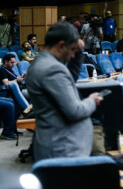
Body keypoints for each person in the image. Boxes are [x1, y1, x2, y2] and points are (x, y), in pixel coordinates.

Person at [26, 22, 103, 161]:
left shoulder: (41, 62)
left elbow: (69, 80)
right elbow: (75, 111)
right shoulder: (52, 69)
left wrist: (79, 53)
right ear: (61, 46)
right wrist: (91, 101)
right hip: (63, 149)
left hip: (58, 145)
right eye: (73, 49)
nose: (73, 55)